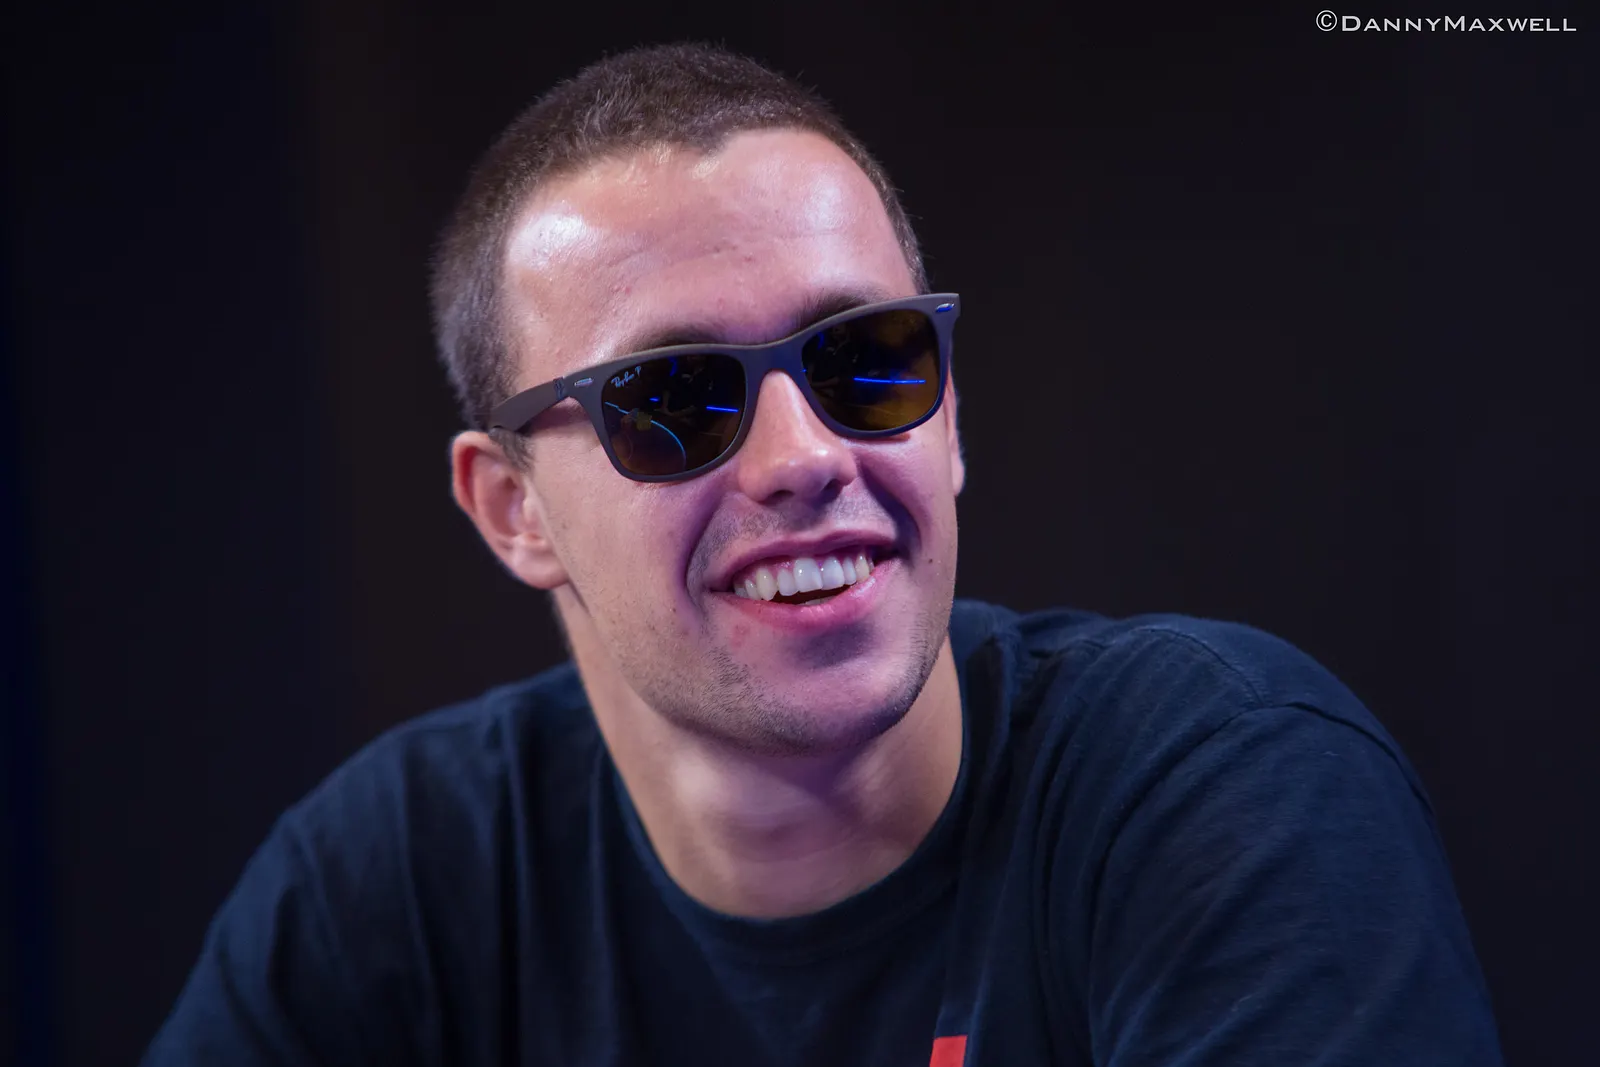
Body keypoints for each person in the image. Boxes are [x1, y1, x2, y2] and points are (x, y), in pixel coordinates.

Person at [143, 42, 1503, 1065]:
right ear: (515, 509)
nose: (803, 456)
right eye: (675, 399)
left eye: (869, 359)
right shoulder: (397, 886)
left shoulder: (1221, 790)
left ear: (950, 419)